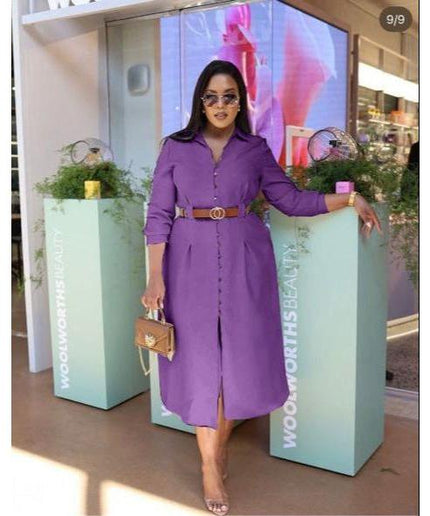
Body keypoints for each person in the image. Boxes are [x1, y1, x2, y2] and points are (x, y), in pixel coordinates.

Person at [141, 60, 382, 515]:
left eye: (229, 96)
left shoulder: (255, 149)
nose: (220, 104)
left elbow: (289, 199)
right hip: (186, 259)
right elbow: (158, 213)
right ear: (200, 101)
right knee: (198, 360)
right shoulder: (175, 147)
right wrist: (155, 274)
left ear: (240, 103)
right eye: (211, 96)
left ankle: (218, 450)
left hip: (245, 258)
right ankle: (210, 466)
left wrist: (350, 198)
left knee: (234, 359)